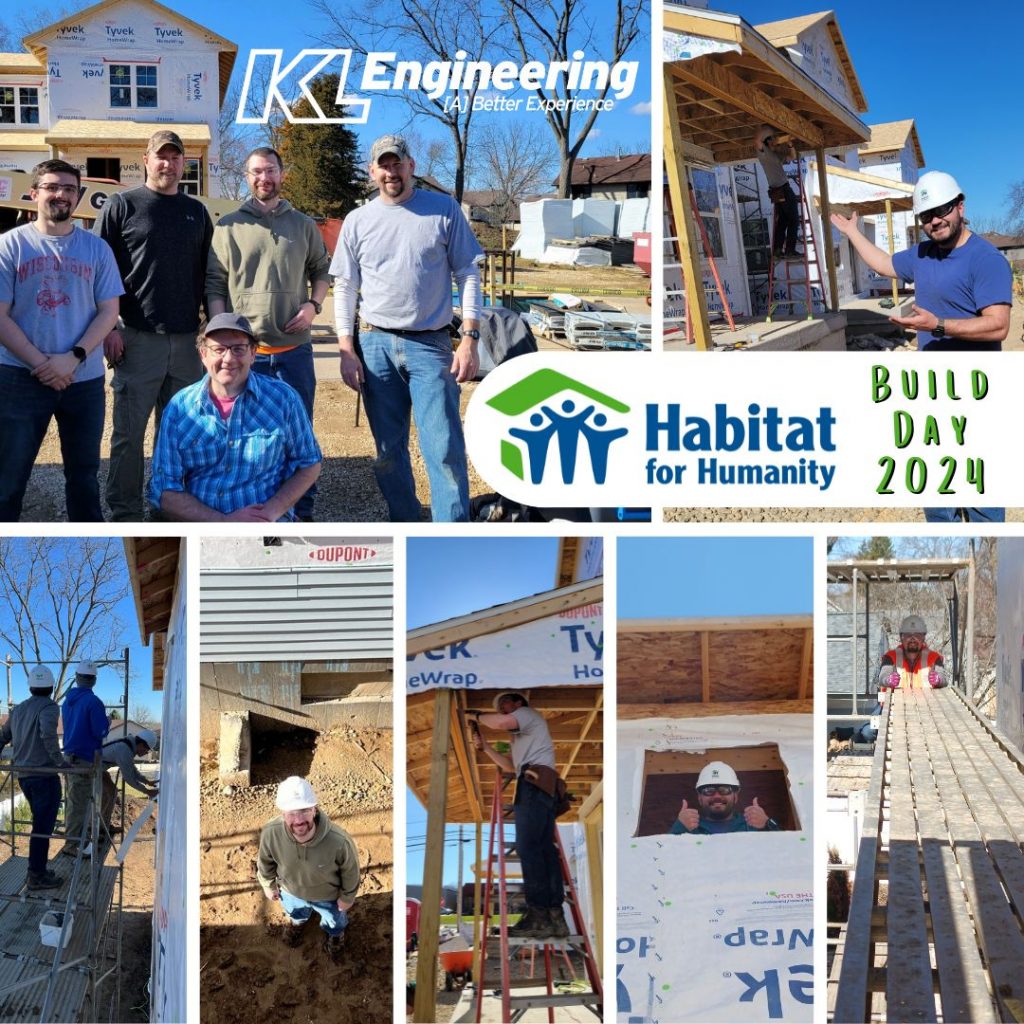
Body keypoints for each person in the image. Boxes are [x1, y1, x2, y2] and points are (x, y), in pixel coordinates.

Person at [830, 171, 1012, 524]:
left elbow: (999, 325)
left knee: (981, 500)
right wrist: (853, 233)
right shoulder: (922, 255)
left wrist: (938, 325)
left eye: (941, 210)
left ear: (960, 206)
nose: (934, 221)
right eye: (926, 216)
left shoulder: (986, 260)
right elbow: (884, 264)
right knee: (938, 502)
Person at [330, 133, 484, 522]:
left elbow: (468, 273)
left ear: (411, 165)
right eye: (383, 164)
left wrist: (469, 337)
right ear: (372, 171)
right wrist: (346, 349)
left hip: (430, 345)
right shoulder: (358, 220)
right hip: (374, 343)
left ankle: (451, 531)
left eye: (397, 162)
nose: (391, 171)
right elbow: (346, 286)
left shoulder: (443, 210)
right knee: (387, 451)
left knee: (444, 447)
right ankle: (406, 521)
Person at [205, 146, 331, 521]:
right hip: (247, 357)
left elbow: (321, 271)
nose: (265, 178)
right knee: (245, 437)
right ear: (247, 177)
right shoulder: (228, 227)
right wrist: (222, 339)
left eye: (271, 170)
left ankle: (301, 511)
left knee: (298, 436)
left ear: (282, 174)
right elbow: (215, 284)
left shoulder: (303, 225)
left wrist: (313, 307)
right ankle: (254, 510)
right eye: (257, 172)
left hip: (294, 352)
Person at [95, 129, 214, 522]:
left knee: (177, 436)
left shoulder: (195, 212)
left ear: (183, 163)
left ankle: (165, 505)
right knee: (129, 435)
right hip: (136, 338)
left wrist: (208, 331)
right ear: (145, 159)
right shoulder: (122, 205)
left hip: (185, 342)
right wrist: (108, 327)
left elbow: (207, 275)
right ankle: (125, 511)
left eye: (175, 157)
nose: (168, 163)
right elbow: (101, 272)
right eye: (160, 156)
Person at [0, 159, 123, 521]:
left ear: (79, 196)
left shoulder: (97, 249)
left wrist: (74, 357)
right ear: (34, 193)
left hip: (82, 380)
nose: (61, 195)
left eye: (69, 189)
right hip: (19, 378)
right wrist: (41, 364)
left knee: (84, 479)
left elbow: (108, 311)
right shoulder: (10, 246)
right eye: (52, 187)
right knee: (8, 479)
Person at [148, 312, 322, 522]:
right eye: (218, 349)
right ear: (203, 355)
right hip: (204, 526)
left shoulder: (283, 399)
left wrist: (273, 510)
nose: (228, 359)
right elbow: (164, 489)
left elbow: (309, 462)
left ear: (253, 353)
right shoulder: (180, 408)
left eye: (238, 349)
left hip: (267, 524)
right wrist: (223, 522)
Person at [470, 692, 568, 941]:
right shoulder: (523, 738)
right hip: (543, 785)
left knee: (529, 848)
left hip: (534, 784)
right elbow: (510, 767)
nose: (502, 710)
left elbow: (501, 723)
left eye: (504, 705)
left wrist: (476, 716)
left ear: (518, 704)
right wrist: (486, 747)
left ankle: (539, 916)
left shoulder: (527, 715)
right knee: (545, 850)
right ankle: (555, 918)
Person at [257, 776, 360, 961]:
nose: (298, 820)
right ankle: (298, 923)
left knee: (335, 921)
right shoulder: (271, 834)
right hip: (290, 892)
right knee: (296, 913)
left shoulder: (339, 841)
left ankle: (335, 934)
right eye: (291, 813)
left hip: (329, 897)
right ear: (283, 814)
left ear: (314, 810)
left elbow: (351, 872)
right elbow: (265, 862)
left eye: (304, 810)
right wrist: (268, 884)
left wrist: (347, 898)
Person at [0, 666, 67, 889]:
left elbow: (3, 736)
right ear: (50, 687)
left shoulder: (18, 709)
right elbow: (48, 735)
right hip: (44, 776)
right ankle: (36, 875)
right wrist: (61, 763)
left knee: (40, 824)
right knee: (43, 827)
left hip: (24, 777)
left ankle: (37, 869)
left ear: (31, 687)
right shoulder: (49, 706)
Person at [59, 659, 109, 857]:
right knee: (79, 804)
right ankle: (71, 846)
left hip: (69, 755)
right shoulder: (93, 702)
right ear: (94, 680)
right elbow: (100, 731)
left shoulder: (68, 701)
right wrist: (107, 722)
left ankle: (77, 839)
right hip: (85, 758)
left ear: (77, 678)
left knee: (73, 802)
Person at [670, 761, 781, 835]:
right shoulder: (688, 828)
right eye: (709, 791)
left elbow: (785, 854)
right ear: (700, 798)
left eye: (724, 790)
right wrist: (679, 827)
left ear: (735, 796)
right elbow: (662, 859)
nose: (717, 796)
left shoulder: (753, 825)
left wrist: (767, 824)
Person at [97, 729, 159, 857]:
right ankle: (97, 829)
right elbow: (129, 778)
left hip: (100, 768)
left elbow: (132, 769)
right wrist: (147, 791)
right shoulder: (124, 750)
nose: (146, 752)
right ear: (141, 744)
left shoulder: (128, 746)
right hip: (93, 767)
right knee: (106, 796)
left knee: (112, 793)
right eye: (147, 749)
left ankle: (104, 826)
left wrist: (147, 781)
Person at [754, 125, 801, 261]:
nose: (775, 142)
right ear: (767, 142)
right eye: (772, 140)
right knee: (794, 220)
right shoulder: (764, 153)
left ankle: (777, 251)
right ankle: (790, 250)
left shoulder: (775, 155)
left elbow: (792, 157)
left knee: (783, 222)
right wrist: (769, 129)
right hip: (783, 190)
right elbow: (757, 140)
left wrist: (790, 144)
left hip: (778, 192)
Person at [877, 614, 946, 693]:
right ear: (901, 637)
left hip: (926, 703)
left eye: (917, 635)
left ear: (923, 638)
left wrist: (939, 680)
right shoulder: (891, 657)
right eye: (908, 635)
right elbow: (882, 676)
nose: (912, 639)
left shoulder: (934, 658)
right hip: (895, 704)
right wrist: (888, 680)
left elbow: (943, 678)